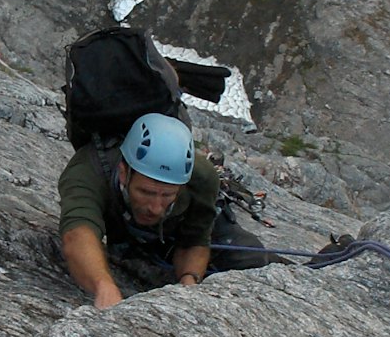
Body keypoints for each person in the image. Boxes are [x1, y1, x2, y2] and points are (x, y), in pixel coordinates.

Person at [58, 112, 268, 308]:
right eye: (146, 192)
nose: (156, 207)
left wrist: (189, 281)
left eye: (167, 195)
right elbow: (78, 234)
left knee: (252, 258)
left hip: (172, 232)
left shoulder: (201, 177)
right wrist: (104, 287)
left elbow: (195, 239)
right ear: (123, 173)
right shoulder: (88, 170)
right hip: (132, 232)